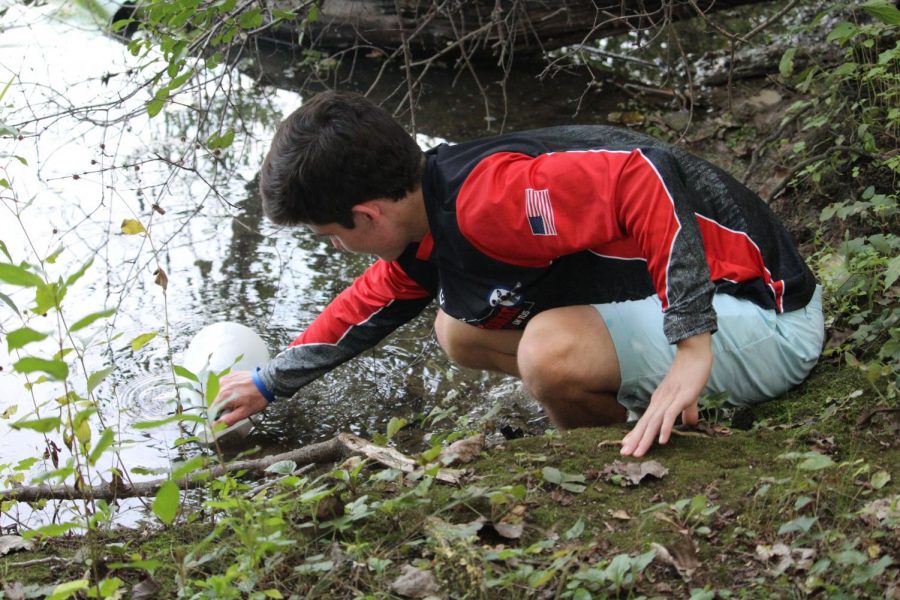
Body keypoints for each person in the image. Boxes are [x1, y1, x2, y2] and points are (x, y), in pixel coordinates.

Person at [213, 91, 824, 457]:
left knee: (547, 353)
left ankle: (605, 459)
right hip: (719, 313)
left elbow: (646, 172)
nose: (341, 249)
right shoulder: (431, 204)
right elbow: (372, 301)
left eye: (333, 235)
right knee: (457, 330)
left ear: (367, 214)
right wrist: (270, 382)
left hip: (767, 318)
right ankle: (618, 418)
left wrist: (692, 344)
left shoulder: (490, 202)